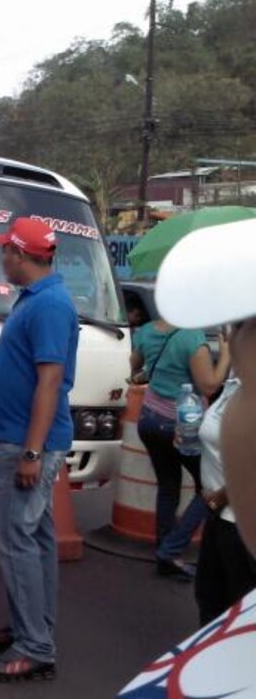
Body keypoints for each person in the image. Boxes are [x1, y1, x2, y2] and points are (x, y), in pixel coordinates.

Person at [119, 217, 256, 697]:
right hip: (222, 522)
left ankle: (168, 546)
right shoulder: (224, 369)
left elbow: (203, 385)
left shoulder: (186, 343)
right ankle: (169, 548)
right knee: (213, 609)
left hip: (225, 508)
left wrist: (221, 494)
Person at [0, 217, 78, 682]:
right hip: (23, 438)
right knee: (34, 540)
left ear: (20, 255)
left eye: (5, 251)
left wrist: (32, 453)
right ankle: (32, 627)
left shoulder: (50, 305)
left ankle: (34, 645)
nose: (2, 258)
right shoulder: (37, 299)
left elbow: (51, 380)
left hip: (26, 442)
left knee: (17, 542)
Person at [130, 315, 231, 581]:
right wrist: (226, 356)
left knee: (168, 485)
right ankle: (171, 548)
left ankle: (165, 551)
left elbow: (135, 365)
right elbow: (209, 385)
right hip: (179, 424)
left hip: (148, 418)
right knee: (208, 487)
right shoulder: (191, 338)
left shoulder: (146, 331)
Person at [194, 372, 256, 625]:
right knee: (211, 602)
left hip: (240, 522)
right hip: (221, 517)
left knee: (238, 615)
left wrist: (220, 497)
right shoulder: (234, 384)